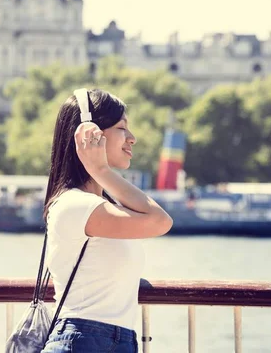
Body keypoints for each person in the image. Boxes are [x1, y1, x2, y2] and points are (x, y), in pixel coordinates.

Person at [41, 88, 173, 353]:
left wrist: (100, 172)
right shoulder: (74, 205)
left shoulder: (97, 207)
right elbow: (160, 221)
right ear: (90, 134)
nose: (132, 138)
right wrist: (98, 169)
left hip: (113, 340)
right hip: (82, 340)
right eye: (122, 128)